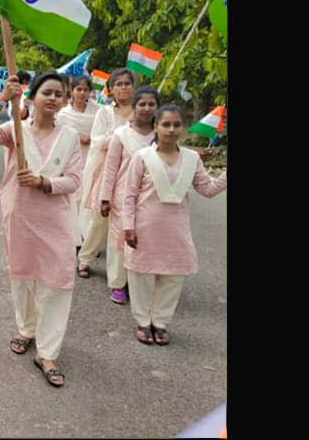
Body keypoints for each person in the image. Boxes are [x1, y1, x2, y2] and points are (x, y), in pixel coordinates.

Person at [0, 73, 83, 387]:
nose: (52, 98)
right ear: (32, 97)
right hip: (19, 214)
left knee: (57, 281)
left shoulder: (69, 136)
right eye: (46, 92)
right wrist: (0, 101)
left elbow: (74, 179)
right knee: (22, 276)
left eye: (58, 94)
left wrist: (43, 182)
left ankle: (47, 352)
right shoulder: (15, 130)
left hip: (55, 217)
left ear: (64, 101)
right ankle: (26, 329)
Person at [123, 105, 227, 345]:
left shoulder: (191, 159)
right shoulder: (142, 157)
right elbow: (129, 194)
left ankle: (160, 321)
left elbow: (207, 189)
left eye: (176, 125)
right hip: (145, 226)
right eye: (166, 124)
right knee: (141, 276)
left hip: (175, 230)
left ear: (184, 128)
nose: (171, 129)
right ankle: (142, 321)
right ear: (156, 127)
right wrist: (129, 225)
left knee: (172, 277)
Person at [99, 85, 159, 305]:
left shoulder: (160, 134)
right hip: (121, 197)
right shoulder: (121, 134)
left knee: (142, 241)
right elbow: (110, 168)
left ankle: (138, 283)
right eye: (142, 104)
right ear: (134, 107)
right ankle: (117, 283)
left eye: (151, 104)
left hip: (149, 199)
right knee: (118, 241)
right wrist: (104, 198)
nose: (146, 108)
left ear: (157, 108)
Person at [77, 68, 136, 278]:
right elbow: (96, 140)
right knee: (99, 217)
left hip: (133, 172)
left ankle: (124, 269)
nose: (123, 88)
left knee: (127, 220)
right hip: (107, 170)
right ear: (110, 89)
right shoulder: (105, 113)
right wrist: (118, 136)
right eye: (118, 84)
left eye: (127, 84)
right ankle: (85, 258)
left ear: (133, 87)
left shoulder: (141, 112)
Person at [56, 75, 101, 249]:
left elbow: (105, 131)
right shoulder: (63, 114)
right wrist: (76, 138)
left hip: (94, 158)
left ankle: (89, 240)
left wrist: (92, 139)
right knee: (73, 201)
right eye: (79, 89)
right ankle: (76, 238)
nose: (82, 93)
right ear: (71, 91)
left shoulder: (98, 111)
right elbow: (59, 137)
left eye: (85, 89)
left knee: (89, 201)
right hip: (72, 160)